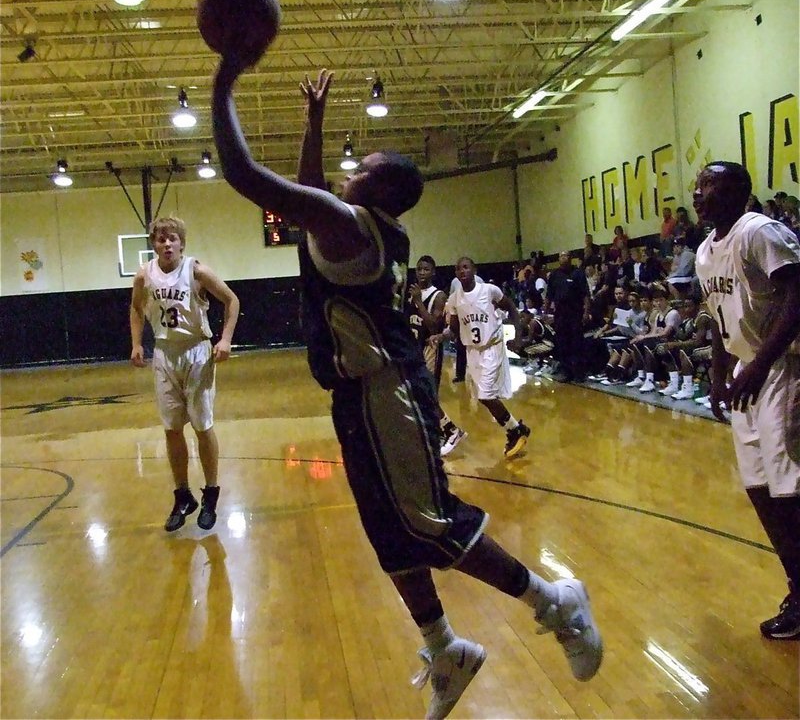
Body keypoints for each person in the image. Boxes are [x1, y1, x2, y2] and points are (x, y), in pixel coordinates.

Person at [211, 63, 602, 719]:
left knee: (430, 522)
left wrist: (225, 76)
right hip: (355, 396)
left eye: (359, 167)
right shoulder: (355, 228)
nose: (347, 172)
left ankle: (554, 601)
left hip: (388, 390)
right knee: (387, 534)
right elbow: (308, 193)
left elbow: (245, 175)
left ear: (375, 187)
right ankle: (444, 646)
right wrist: (312, 122)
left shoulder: (352, 227)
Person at [694, 161, 800, 641]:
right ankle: (798, 587)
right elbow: (719, 319)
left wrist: (758, 365)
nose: (697, 193)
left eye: (708, 184)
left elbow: (799, 293)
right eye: (696, 185)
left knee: (790, 486)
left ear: (739, 191)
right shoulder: (703, 253)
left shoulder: (760, 232)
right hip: (747, 371)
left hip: (784, 365)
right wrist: (719, 375)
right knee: (759, 487)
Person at [130, 216, 240, 532]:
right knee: (171, 428)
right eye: (160, 239)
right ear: (153, 244)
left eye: (172, 238)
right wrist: (137, 343)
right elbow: (136, 309)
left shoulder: (196, 270)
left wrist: (226, 339)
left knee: (203, 426)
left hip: (197, 351)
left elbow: (232, 300)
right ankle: (182, 495)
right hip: (164, 351)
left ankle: (211, 494)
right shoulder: (143, 276)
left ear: (181, 242)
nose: (167, 244)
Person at [434, 256, 531, 458]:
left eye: (466, 267)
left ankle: (515, 430)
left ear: (474, 270)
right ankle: (515, 428)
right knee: (486, 398)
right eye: (458, 268)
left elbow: (512, 307)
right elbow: (453, 329)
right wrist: (441, 336)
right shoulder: (454, 299)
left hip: (492, 348)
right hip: (473, 352)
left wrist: (518, 336)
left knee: (485, 395)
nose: (462, 271)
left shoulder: (488, 290)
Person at [407, 255, 467, 456]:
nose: (421, 272)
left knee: (427, 394)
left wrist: (418, 301)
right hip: (413, 349)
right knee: (416, 394)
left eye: (426, 269)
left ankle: (451, 430)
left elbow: (433, 325)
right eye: (419, 269)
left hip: (430, 349)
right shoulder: (412, 292)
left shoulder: (438, 295)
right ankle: (434, 432)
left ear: (433, 272)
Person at [545, 251, 591, 382]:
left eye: (566, 255)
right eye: (561, 256)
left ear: (571, 258)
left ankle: (579, 373)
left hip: (575, 313)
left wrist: (586, 312)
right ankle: (566, 371)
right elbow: (549, 296)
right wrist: (545, 313)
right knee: (562, 343)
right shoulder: (554, 275)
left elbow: (586, 295)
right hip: (560, 314)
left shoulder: (578, 273)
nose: (563, 257)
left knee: (576, 343)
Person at [449, 270, 483, 383]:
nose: (463, 271)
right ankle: (460, 374)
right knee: (461, 346)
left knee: (477, 347)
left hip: (475, 318)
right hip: (461, 318)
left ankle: (479, 373)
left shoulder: (479, 280)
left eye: (466, 267)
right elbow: (451, 299)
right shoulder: (455, 282)